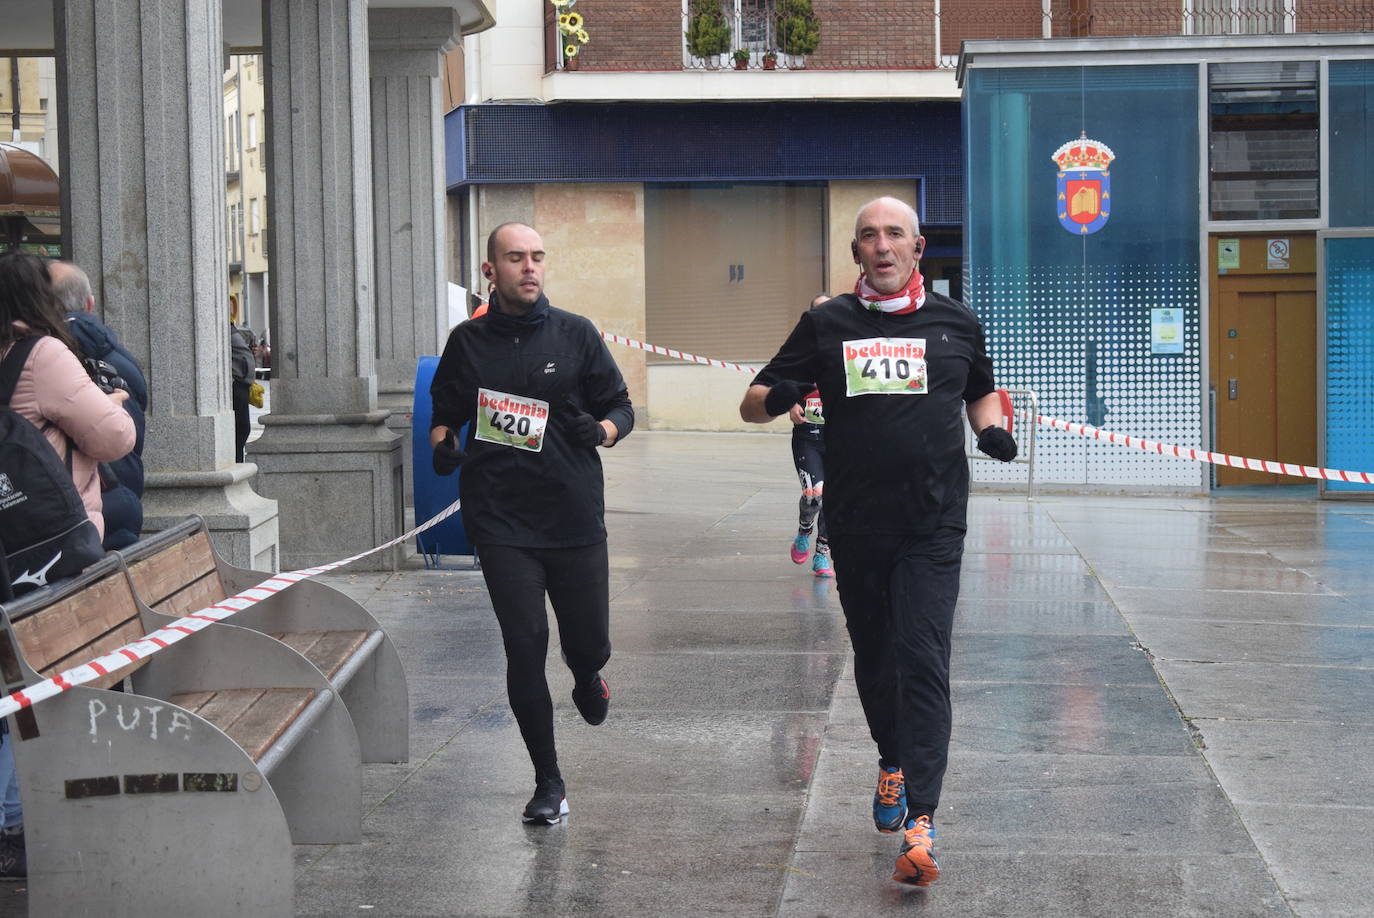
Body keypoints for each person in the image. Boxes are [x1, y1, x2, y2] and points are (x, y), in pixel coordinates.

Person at [739, 197, 1018, 888]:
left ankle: (922, 819)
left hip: (933, 521)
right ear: (857, 252)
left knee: (922, 657)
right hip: (858, 522)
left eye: (896, 234)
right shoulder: (827, 322)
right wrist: (778, 394)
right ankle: (892, 759)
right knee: (876, 657)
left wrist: (991, 430)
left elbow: (981, 391)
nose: (883, 245)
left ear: (918, 248)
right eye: (870, 236)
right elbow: (752, 401)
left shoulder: (956, 321)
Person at [429, 222, 634, 825]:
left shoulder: (576, 334)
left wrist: (601, 431)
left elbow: (621, 407)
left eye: (537, 257)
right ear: (490, 271)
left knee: (587, 644)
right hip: (501, 520)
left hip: (572, 515)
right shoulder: (467, 343)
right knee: (524, 646)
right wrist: (443, 446)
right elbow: (444, 414)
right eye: (516, 258)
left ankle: (588, 674)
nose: (530, 267)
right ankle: (548, 782)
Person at [0, 251, 137, 880]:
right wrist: (113, 401)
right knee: (37, 687)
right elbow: (113, 438)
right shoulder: (42, 354)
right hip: (45, 550)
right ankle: (17, 824)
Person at [52, 260, 149, 550]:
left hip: (76, 517)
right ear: (90, 304)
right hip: (120, 498)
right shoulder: (120, 358)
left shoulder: (44, 359)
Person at [784, 293, 834, 578]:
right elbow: (783, 381)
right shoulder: (800, 350)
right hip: (808, 437)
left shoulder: (847, 346)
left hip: (840, 438)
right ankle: (804, 530)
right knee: (814, 494)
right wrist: (791, 404)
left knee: (833, 497)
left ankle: (822, 553)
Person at [229, 301, 256, 462]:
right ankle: (236, 460)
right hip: (236, 384)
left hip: (242, 384)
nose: (230, 307)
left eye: (232, 304)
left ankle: (238, 459)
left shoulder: (231, 327)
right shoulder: (223, 327)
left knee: (243, 428)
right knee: (242, 427)